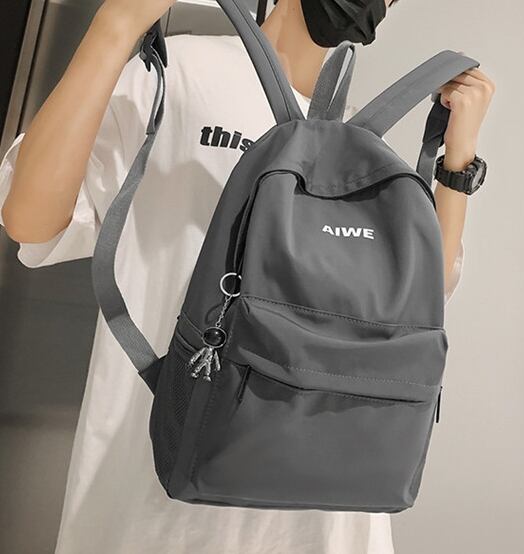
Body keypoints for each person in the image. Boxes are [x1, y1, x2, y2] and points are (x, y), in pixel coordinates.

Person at [0, 0, 495, 552]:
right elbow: (30, 220)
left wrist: (458, 165)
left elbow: (422, 302)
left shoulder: (362, 142)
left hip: (332, 522)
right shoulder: (176, 71)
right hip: (159, 510)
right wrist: (115, 25)